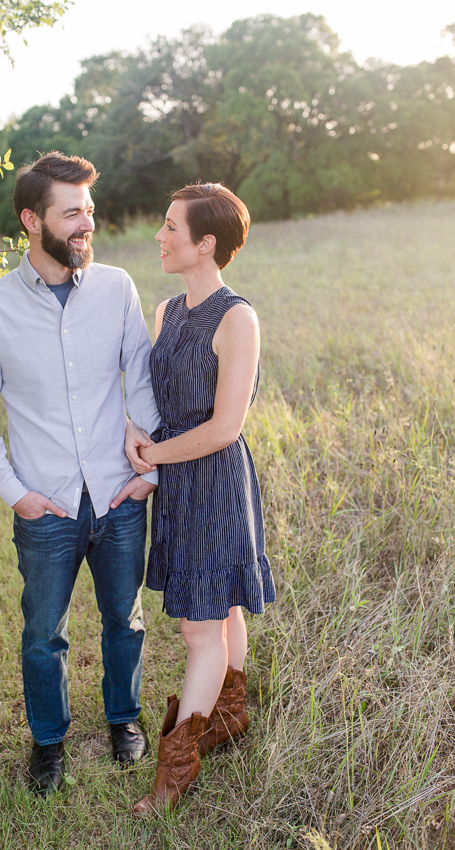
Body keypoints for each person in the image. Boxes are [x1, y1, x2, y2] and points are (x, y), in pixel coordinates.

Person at [0, 152, 160, 796]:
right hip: (46, 505)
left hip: (119, 494)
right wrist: (15, 493)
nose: (86, 226)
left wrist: (147, 458)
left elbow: (144, 377)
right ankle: (50, 742)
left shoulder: (117, 287)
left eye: (90, 213)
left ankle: (123, 720)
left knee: (123, 621)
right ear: (31, 219)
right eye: (71, 214)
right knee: (44, 633)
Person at [123, 182, 275, 815]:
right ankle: (230, 713)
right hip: (178, 481)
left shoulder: (236, 317)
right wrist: (143, 443)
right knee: (220, 607)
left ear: (205, 243)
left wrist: (153, 456)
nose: (160, 237)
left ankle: (174, 771)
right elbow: (163, 404)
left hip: (215, 483)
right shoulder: (168, 311)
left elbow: (225, 427)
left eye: (170, 228)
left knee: (198, 626)